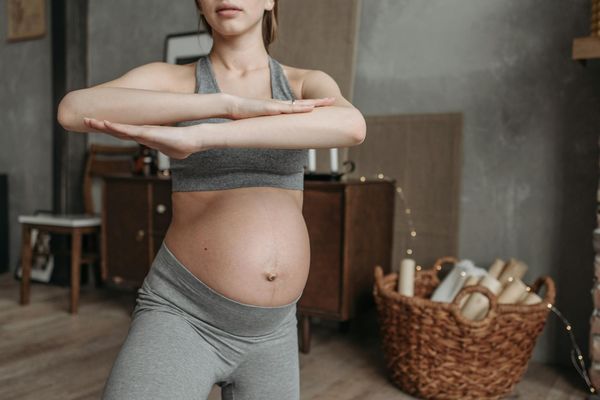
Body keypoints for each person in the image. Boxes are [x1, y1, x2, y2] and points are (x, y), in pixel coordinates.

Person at [57, 0, 366, 398]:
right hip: (184, 313)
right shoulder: (176, 79)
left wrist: (207, 134)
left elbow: (351, 125)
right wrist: (224, 105)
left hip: (274, 331)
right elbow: (73, 109)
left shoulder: (304, 83)